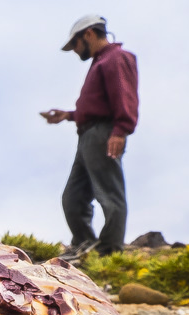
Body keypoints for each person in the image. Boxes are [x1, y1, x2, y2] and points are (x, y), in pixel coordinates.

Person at [41, 14, 139, 259]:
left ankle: (110, 252)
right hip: (87, 136)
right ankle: (86, 246)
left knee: (109, 193)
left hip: (104, 133)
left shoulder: (116, 58)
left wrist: (120, 130)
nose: (74, 50)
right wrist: (67, 115)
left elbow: (125, 98)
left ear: (88, 34)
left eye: (74, 44)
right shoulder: (100, 62)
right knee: (72, 198)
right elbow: (96, 106)